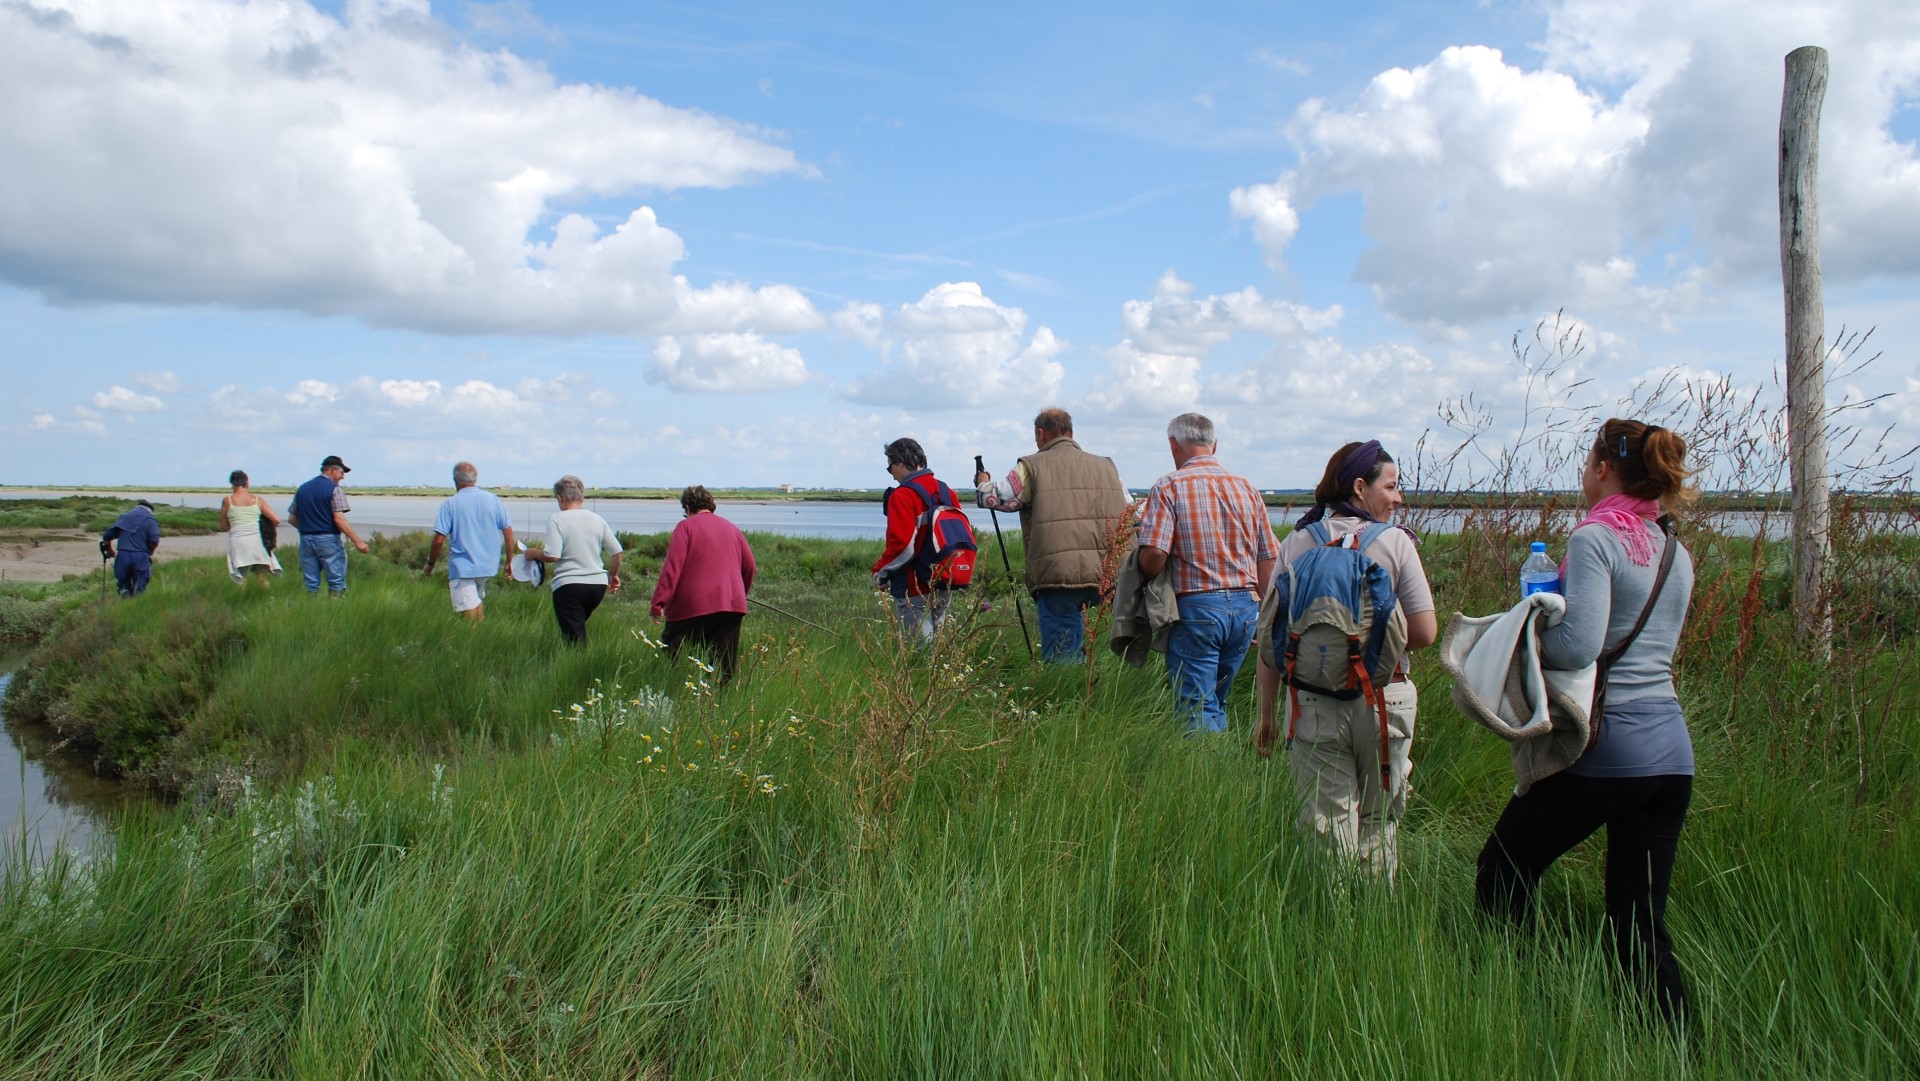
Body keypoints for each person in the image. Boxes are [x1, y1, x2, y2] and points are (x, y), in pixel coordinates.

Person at [1475, 419, 1698, 1026]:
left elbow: (1578, 646)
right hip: (1671, 755)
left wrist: (1526, 625)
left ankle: (1513, 1007)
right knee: (1638, 922)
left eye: (1587, 460)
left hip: (1608, 748)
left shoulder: (1596, 538)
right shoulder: (1673, 547)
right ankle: (1676, 1047)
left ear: (1603, 468)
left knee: (1503, 869)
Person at [1254, 440, 1437, 878]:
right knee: (1379, 824)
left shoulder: (1298, 541)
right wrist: (1371, 640)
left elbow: (1271, 637)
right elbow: (1426, 632)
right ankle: (1376, 931)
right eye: (1391, 487)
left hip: (1311, 704)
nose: (1398, 498)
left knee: (1325, 825)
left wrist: (1265, 717)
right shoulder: (1395, 543)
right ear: (1360, 486)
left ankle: (1330, 930)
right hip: (1384, 699)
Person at [1135, 413, 1277, 733]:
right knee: (1215, 700)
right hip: (1245, 608)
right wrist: (1265, 614)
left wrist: (1145, 571)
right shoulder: (1246, 488)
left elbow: (1155, 552)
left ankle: (1202, 775)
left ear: (1173, 445)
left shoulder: (1168, 486)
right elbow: (1268, 559)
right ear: (1214, 444)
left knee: (1195, 706)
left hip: (1198, 607)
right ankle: (1223, 770)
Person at [975, 406, 1136, 663]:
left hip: (1059, 573)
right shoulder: (1107, 467)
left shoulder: (1031, 466)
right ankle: (1093, 694)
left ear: (1041, 433)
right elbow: (1132, 513)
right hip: (1109, 573)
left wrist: (983, 481)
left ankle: (1063, 696)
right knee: (1097, 645)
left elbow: (994, 497)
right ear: (1071, 433)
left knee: (1061, 654)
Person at [650, 486, 757, 681]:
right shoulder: (732, 528)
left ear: (688, 506)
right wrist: (740, 594)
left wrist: (658, 603)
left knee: (671, 651)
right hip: (731, 607)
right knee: (723, 668)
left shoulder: (685, 527)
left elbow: (672, 568)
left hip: (692, 607)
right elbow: (750, 567)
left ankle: (675, 688)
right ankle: (720, 702)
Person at [871, 437, 960, 645]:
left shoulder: (902, 495)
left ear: (900, 463)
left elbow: (901, 546)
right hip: (944, 580)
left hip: (913, 585)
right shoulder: (946, 491)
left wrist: (880, 572)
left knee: (919, 653)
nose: (891, 474)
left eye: (890, 466)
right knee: (939, 649)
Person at [523, 475, 623, 645]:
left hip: (569, 586)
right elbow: (617, 552)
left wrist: (533, 553)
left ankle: (579, 667)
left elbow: (552, 555)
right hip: (597, 586)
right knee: (577, 628)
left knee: (574, 640)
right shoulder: (597, 519)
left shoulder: (557, 519)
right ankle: (582, 664)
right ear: (582, 497)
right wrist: (613, 575)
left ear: (559, 498)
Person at [423, 461, 515, 621]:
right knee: (476, 602)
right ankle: (480, 637)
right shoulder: (492, 499)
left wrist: (430, 564)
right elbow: (508, 532)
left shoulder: (450, 504)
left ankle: (471, 641)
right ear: (475, 479)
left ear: (455, 481)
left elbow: (439, 540)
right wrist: (509, 561)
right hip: (488, 565)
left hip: (463, 566)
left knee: (468, 612)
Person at [287, 455, 369, 596]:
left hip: (306, 539)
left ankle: (310, 609)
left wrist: (307, 529)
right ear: (332, 471)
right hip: (328, 539)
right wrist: (358, 542)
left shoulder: (302, 489)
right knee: (336, 580)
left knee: (311, 583)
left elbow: (292, 518)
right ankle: (335, 609)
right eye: (342, 473)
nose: (343, 477)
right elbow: (339, 519)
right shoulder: (334, 489)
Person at [217, 470, 282, 586]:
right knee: (262, 577)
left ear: (232, 484)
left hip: (238, 543)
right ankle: (269, 600)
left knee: (241, 579)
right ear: (247, 484)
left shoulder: (227, 501)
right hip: (256, 542)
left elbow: (223, 527)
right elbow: (276, 519)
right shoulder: (258, 500)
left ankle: (242, 601)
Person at [99, 499, 160, 597]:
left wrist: (110, 550)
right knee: (140, 588)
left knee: (123, 587)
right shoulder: (151, 520)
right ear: (150, 511)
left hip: (122, 556)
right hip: (141, 556)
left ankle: (125, 604)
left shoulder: (125, 517)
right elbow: (154, 540)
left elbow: (107, 536)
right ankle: (136, 607)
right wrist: (151, 551)